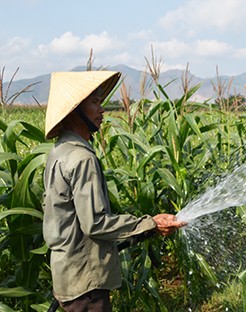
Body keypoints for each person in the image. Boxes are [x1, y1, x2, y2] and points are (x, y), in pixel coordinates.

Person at [42, 71, 186, 312]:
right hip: (86, 282)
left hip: (68, 275)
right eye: (95, 102)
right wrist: (151, 224)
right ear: (75, 110)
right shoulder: (81, 158)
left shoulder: (59, 152)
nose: (102, 110)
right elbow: (95, 223)